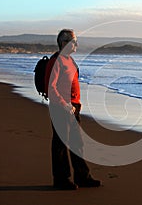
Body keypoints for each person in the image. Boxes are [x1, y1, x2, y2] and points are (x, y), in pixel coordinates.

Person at [46, 29, 101, 190]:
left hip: (73, 107)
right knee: (60, 145)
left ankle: (82, 176)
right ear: (64, 43)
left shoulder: (69, 60)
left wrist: (74, 105)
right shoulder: (56, 61)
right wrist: (65, 104)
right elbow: (51, 88)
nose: (76, 44)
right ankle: (61, 179)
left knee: (77, 143)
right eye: (73, 41)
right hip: (60, 108)